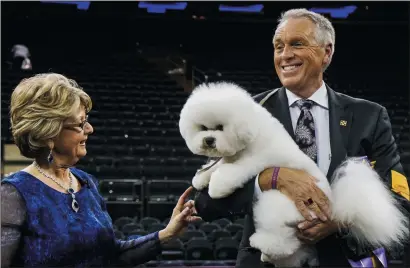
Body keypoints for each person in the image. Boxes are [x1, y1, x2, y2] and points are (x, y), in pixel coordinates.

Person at [194, 8, 410, 268]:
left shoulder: (369, 117)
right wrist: (268, 180)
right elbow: (205, 203)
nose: (285, 55)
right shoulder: (247, 112)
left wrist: (338, 221)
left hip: (342, 259)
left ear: (326, 52)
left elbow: (399, 201)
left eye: (297, 44)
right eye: (278, 46)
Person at [1, 73, 200, 267]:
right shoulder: (13, 193)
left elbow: (112, 256)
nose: (90, 129)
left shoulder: (86, 182)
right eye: (80, 123)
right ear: (48, 133)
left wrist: (167, 233)